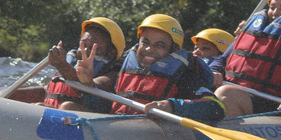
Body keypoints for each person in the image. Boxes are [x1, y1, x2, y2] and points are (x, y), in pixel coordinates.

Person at [93, 14, 223, 122]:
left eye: (159, 45)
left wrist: (172, 106)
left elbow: (216, 107)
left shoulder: (183, 75)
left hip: (155, 138)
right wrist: (87, 83)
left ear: (173, 50)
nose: (149, 49)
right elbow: (102, 107)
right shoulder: (124, 68)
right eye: (145, 42)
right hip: (121, 130)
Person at [41, 17, 125, 112]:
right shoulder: (71, 63)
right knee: (36, 105)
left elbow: (87, 89)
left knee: (67, 107)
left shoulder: (113, 74)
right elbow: (45, 91)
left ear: (111, 53)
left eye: (95, 48)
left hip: (90, 118)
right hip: (58, 113)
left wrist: (61, 65)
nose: (85, 51)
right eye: (83, 45)